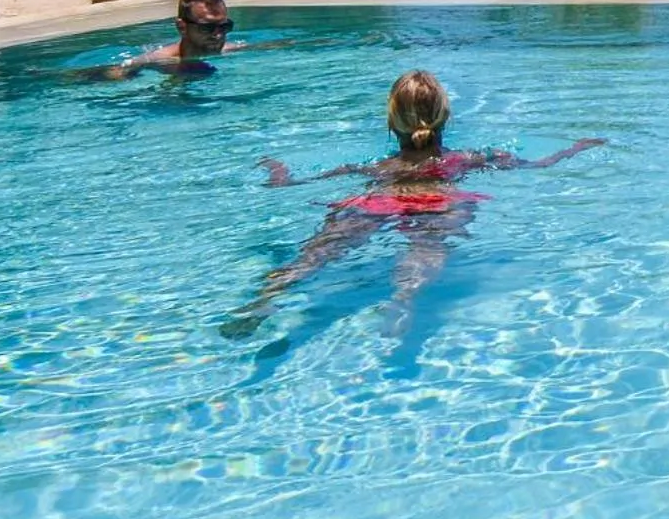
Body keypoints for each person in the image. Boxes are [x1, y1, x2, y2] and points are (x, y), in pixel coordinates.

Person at [222, 70, 604, 341]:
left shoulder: (372, 167)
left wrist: (278, 170)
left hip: (377, 197)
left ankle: (268, 298)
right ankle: (404, 298)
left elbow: (291, 185)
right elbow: (539, 165)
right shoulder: (470, 158)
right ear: (445, 117)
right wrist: (576, 147)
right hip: (439, 198)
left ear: (391, 122)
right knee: (427, 249)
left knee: (314, 256)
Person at [101, 0, 239, 79]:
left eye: (224, 26)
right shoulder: (156, 60)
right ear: (182, 27)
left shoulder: (232, 50)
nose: (218, 35)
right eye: (207, 28)